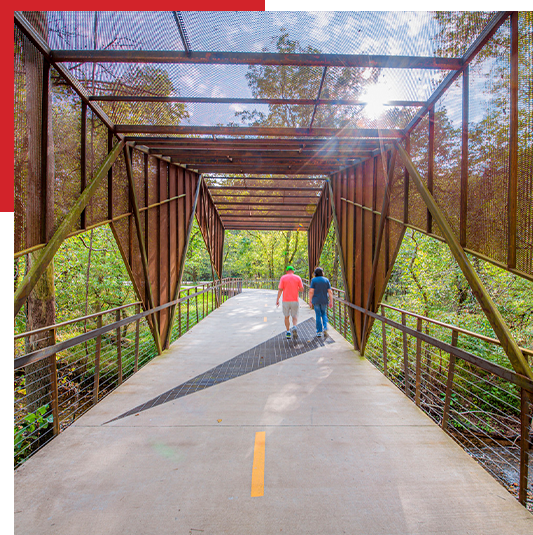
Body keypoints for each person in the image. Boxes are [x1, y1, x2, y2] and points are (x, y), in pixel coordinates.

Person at [276, 265, 304, 339]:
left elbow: (280, 289)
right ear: (293, 271)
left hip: (285, 300)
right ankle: (294, 326)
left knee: (286, 316)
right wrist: (296, 288)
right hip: (295, 300)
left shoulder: (283, 278)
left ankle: (288, 332)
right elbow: (302, 289)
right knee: (294, 315)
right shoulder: (298, 278)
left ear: (286, 271)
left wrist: (277, 299)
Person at [308, 267, 333, 337]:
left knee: (318, 315)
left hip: (316, 300)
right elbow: (330, 292)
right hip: (324, 300)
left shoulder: (314, 280)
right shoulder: (326, 280)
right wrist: (331, 301)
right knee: (324, 314)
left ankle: (319, 331)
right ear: (322, 273)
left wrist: (310, 300)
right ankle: (325, 327)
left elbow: (311, 291)